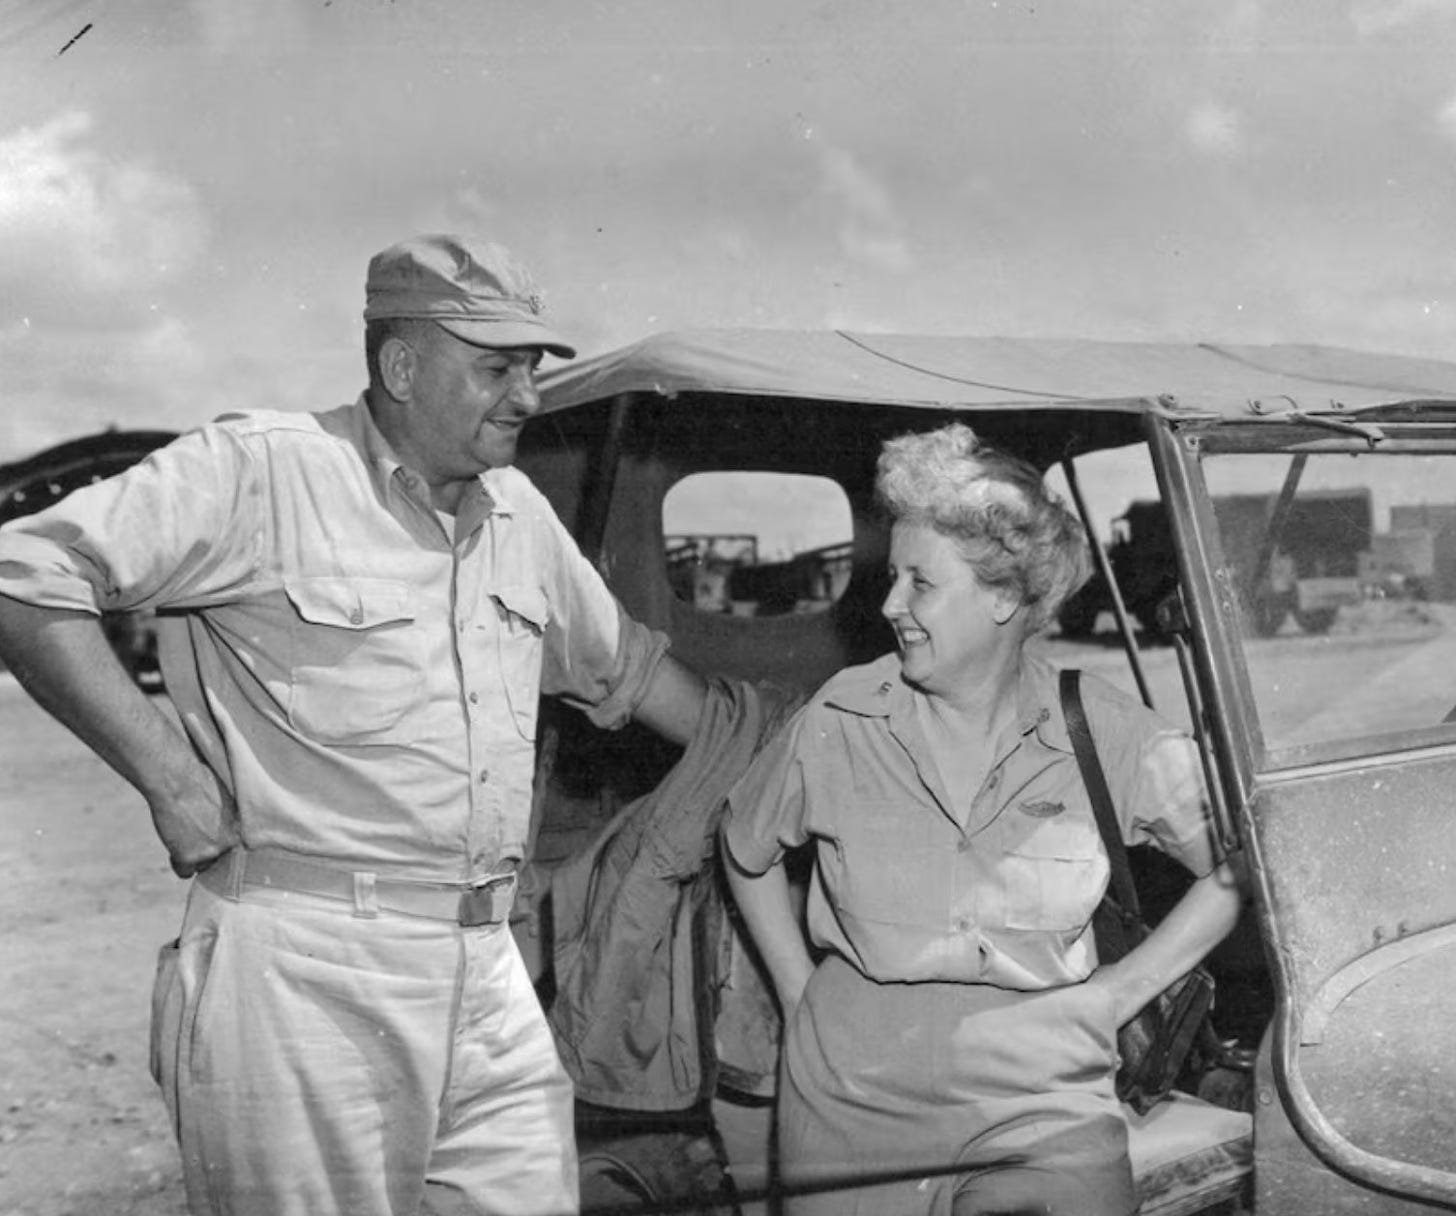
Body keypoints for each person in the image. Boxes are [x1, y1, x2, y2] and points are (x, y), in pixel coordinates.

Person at [0, 233, 706, 1216]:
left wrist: (794, 734)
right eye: (496, 367)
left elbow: (632, 675)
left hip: (483, 964)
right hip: (305, 969)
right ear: (401, 365)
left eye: (533, 368)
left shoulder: (519, 519)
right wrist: (168, 778)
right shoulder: (262, 472)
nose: (527, 395)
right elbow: (23, 577)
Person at [720, 422, 1244, 1216]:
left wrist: (1119, 992)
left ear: (1003, 596)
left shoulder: (1100, 728)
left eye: (919, 583)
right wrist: (800, 998)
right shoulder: (840, 718)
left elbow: (1241, 866)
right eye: (892, 577)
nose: (891, 604)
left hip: (1045, 1100)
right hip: (850, 1102)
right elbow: (744, 848)